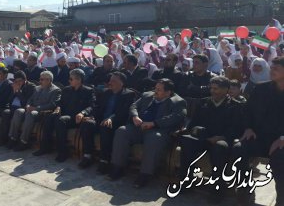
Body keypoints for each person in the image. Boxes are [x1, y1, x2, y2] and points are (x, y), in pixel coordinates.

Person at [178, 76, 244, 204]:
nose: (213, 91)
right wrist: (194, 131)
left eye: (216, 89)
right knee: (186, 141)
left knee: (220, 147)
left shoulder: (235, 106)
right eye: (211, 88)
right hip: (204, 137)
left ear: (226, 89)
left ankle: (217, 189)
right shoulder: (204, 102)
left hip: (221, 139)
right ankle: (187, 181)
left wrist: (221, 137)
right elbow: (194, 123)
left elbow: (236, 128)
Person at [109, 79, 187, 188]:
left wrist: (154, 123)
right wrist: (135, 116)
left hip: (158, 130)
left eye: (159, 90)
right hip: (140, 127)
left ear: (168, 92)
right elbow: (133, 106)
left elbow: (177, 117)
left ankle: (145, 174)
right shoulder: (147, 95)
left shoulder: (178, 101)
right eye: (155, 88)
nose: (155, 91)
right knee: (122, 131)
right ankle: (118, 167)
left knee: (153, 138)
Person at [233, 56, 284, 206]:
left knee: (280, 160)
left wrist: (282, 138)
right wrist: (248, 127)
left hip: (281, 141)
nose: (272, 71)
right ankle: (245, 191)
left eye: (277, 69)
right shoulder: (261, 88)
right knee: (239, 149)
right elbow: (247, 111)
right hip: (260, 136)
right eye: (272, 68)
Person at [78, 72, 136, 173]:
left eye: (113, 81)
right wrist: (91, 116)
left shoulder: (128, 94)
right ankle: (88, 155)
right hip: (101, 120)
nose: (110, 82)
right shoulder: (106, 92)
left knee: (106, 127)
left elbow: (124, 112)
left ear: (121, 83)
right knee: (87, 124)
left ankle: (104, 160)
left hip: (116, 122)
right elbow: (97, 107)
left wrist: (111, 118)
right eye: (110, 80)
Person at [33, 69, 95, 162]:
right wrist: (58, 107)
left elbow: (92, 106)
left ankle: (63, 152)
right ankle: (45, 147)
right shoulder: (67, 90)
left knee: (61, 120)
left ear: (78, 80)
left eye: (71, 79)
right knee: (49, 117)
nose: (69, 81)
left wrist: (83, 113)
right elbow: (60, 103)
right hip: (65, 114)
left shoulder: (88, 91)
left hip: (77, 117)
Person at [8, 71, 61, 151]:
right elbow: (30, 99)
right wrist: (28, 105)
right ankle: (13, 138)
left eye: (42, 79)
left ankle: (23, 141)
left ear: (49, 80)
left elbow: (52, 105)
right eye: (40, 79)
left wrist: (36, 108)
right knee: (18, 111)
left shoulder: (56, 90)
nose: (40, 81)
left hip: (42, 112)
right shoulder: (37, 88)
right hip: (31, 108)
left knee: (30, 113)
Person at [0, 71, 35, 144]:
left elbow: (26, 102)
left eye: (20, 81)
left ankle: (3, 139)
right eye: (16, 81)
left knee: (6, 113)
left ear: (25, 80)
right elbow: (9, 100)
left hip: (22, 108)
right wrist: (14, 91)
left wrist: (18, 92)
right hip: (11, 107)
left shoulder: (31, 87)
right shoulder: (14, 85)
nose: (18, 83)